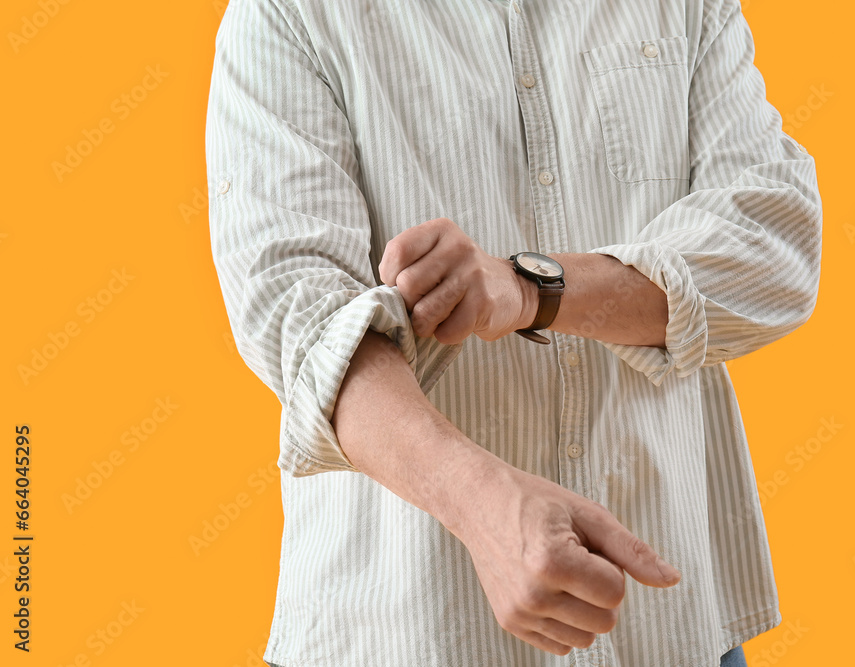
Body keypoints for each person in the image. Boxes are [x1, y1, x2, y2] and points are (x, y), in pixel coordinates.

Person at [205, 0, 822, 665]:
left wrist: (533, 288)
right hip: (406, 635)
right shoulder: (288, 14)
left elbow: (773, 239)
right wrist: (483, 508)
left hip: (670, 632)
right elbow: (303, 330)